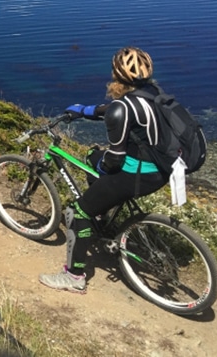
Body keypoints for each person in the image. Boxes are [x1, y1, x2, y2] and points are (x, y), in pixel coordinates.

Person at [38, 46, 168, 293]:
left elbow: (114, 160)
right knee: (91, 154)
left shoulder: (121, 109)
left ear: (116, 75)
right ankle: (102, 212)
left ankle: (74, 277)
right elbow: (119, 109)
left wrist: (102, 169)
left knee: (79, 211)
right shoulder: (154, 94)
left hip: (136, 176)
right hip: (161, 170)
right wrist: (85, 111)